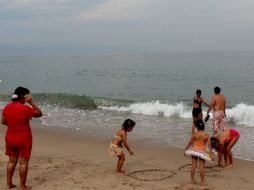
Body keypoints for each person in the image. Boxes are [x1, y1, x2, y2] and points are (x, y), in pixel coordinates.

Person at [1, 87, 42, 190]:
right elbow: (39, 113)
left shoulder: (7, 107)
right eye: (29, 95)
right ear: (24, 97)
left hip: (10, 137)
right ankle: (22, 186)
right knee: (23, 163)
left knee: (11, 161)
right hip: (23, 138)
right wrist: (31, 102)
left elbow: (3, 121)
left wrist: (13, 124)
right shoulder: (25, 108)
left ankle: (9, 184)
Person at [185, 119, 213, 185]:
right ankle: (202, 181)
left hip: (195, 151)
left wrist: (186, 150)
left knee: (193, 166)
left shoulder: (195, 134)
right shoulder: (206, 135)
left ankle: (192, 180)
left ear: (197, 127)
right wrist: (211, 154)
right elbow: (209, 145)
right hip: (202, 152)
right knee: (201, 167)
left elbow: (190, 143)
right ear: (203, 126)